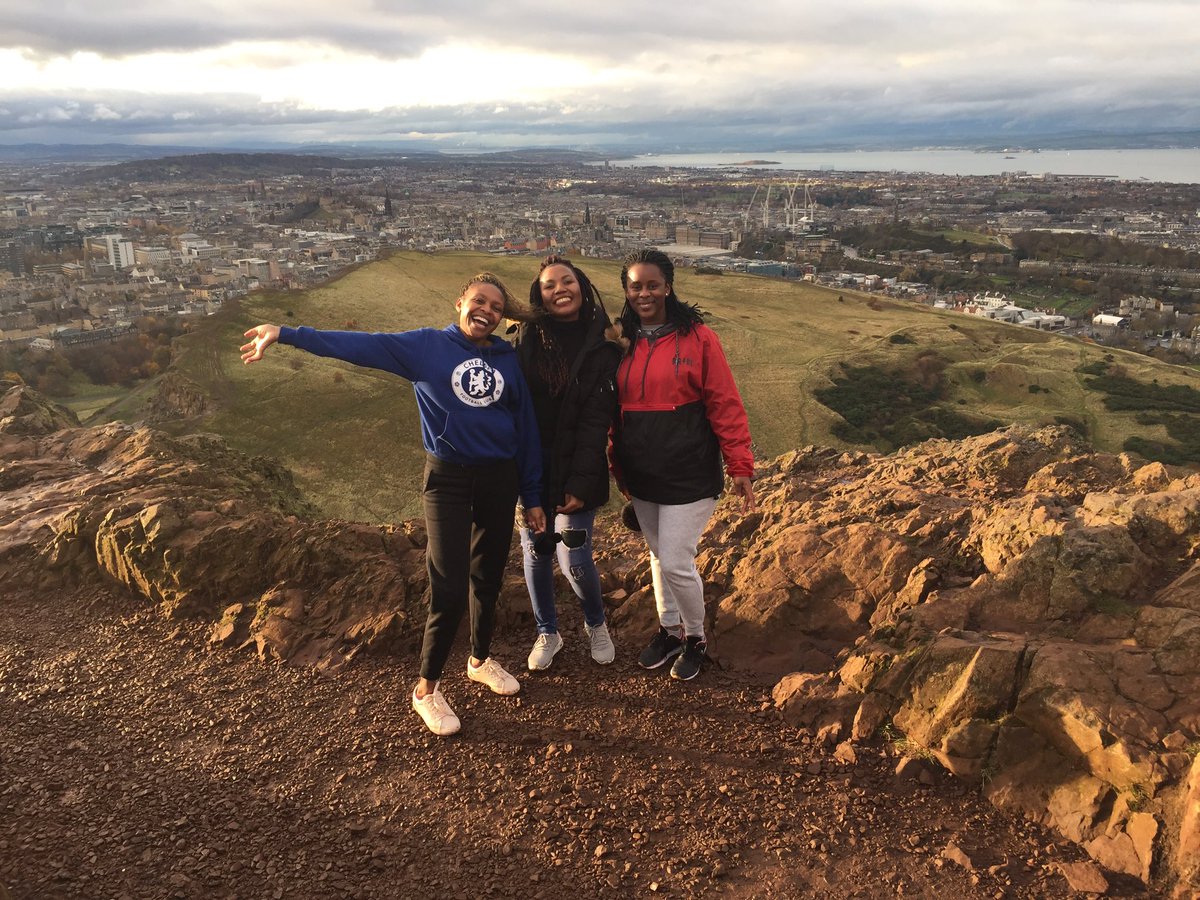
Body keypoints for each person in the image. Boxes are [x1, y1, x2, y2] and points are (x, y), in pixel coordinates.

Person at [239, 273, 547, 736]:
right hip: (449, 479)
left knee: (487, 575)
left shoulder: (507, 359)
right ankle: (426, 689)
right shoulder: (425, 347)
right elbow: (360, 345)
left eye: (496, 307)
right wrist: (285, 334)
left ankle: (480, 660)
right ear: (460, 301)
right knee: (447, 584)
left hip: (500, 478)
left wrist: (533, 496)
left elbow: (525, 432)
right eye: (478, 301)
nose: (486, 311)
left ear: (502, 316)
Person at [609, 248, 756, 681]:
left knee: (675, 559)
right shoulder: (619, 340)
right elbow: (613, 409)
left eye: (653, 284)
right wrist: (617, 467)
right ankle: (668, 630)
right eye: (635, 285)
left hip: (690, 469)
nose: (644, 293)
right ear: (626, 290)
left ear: (668, 286)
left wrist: (740, 465)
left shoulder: (699, 338)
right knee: (657, 556)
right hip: (642, 471)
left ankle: (696, 637)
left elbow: (724, 402)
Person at [515, 256, 622, 671]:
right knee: (537, 550)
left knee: (575, 558)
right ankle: (548, 632)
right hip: (533, 468)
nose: (560, 289)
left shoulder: (602, 345)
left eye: (567, 281)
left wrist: (579, 482)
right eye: (549, 285)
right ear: (537, 295)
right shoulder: (525, 339)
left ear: (582, 286)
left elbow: (598, 421)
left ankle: (596, 623)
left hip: (582, 467)